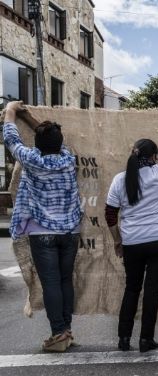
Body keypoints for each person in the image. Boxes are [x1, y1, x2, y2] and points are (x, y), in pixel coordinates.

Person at [2, 101, 82, 352]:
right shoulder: (68, 159)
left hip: (42, 232)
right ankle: (66, 330)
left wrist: (13, 112)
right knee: (65, 279)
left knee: (50, 283)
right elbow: (54, 140)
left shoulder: (31, 159)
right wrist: (31, 117)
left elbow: (11, 139)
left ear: (37, 144)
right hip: (70, 231)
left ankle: (58, 333)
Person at [105, 108, 158, 353]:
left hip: (132, 242)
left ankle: (123, 338)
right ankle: (146, 339)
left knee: (131, 288)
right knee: (151, 291)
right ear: (153, 157)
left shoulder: (119, 180)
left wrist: (118, 241)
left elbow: (109, 215)